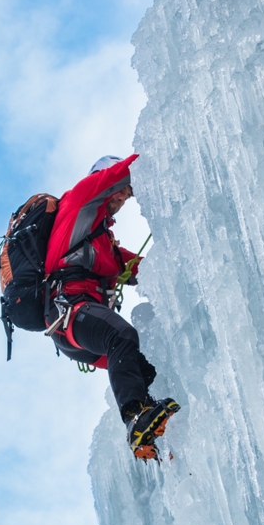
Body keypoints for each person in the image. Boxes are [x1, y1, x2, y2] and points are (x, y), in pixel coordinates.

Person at [44, 153, 179, 461]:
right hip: (69, 312)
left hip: (79, 327)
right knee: (122, 336)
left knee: (146, 369)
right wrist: (156, 157)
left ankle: (157, 439)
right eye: (121, 188)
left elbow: (135, 269)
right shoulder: (79, 200)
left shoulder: (102, 242)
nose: (124, 194)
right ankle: (135, 418)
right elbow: (121, 172)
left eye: (127, 192)